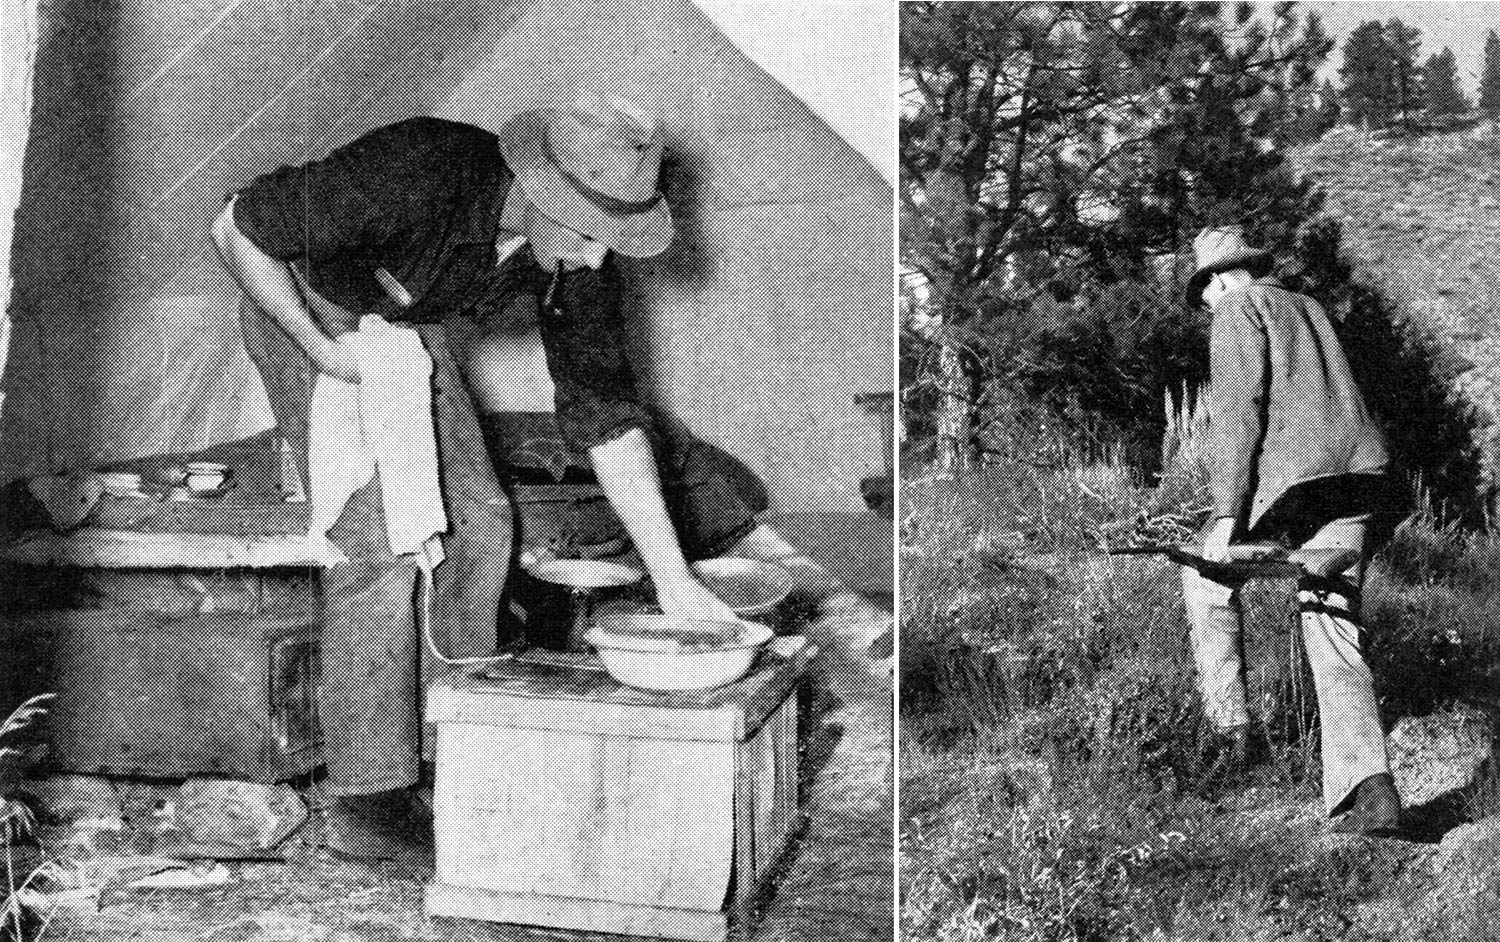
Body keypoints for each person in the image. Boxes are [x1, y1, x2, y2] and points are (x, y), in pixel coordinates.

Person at [210, 94, 740, 864]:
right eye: (594, 237)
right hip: (304, 303)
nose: (599, 260)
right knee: (381, 533)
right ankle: (368, 799)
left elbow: (608, 422)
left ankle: (455, 741)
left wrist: (674, 578)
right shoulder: (414, 167)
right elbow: (236, 227)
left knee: (481, 520)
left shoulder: (580, 256)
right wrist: (324, 354)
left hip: (400, 327)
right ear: (541, 194)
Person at [1182, 226, 1401, 836]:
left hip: (1296, 485)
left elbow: (1238, 410)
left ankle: (1232, 734)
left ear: (1220, 278)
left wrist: (1227, 515)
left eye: (1204, 289)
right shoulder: (1310, 307)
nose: (1205, 303)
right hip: (1361, 478)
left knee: (1203, 578)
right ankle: (1370, 788)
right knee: (1330, 615)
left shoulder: (1237, 308)